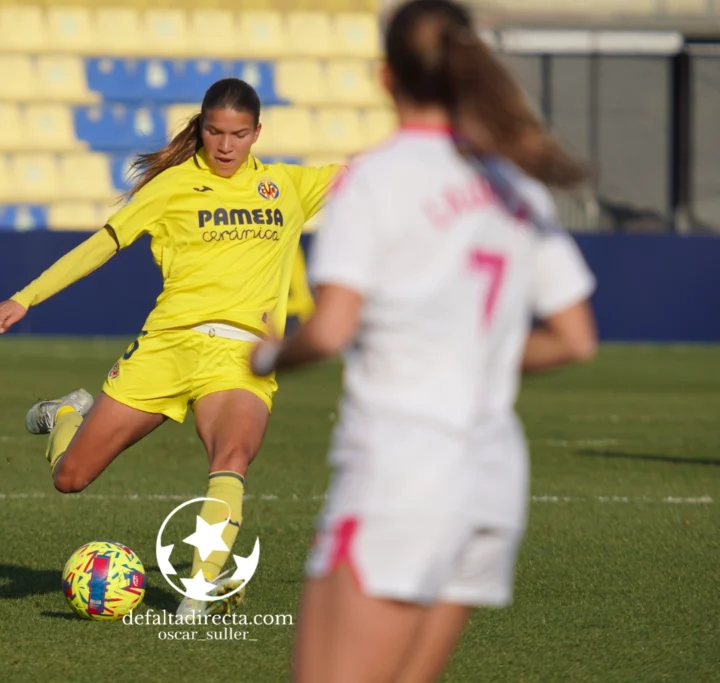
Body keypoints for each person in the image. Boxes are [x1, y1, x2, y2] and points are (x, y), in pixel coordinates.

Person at [249, 1, 598, 681]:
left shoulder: (376, 178)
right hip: (493, 476)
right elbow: (575, 338)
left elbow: (330, 329)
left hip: (401, 473)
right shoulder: (515, 183)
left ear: (386, 77)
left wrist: (267, 355)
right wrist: (469, 350)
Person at [0, 78, 344, 617]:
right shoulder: (170, 187)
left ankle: (197, 594)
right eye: (215, 132)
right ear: (200, 128)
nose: (225, 146)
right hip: (167, 349)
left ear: (257, 133)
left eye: (238, 134)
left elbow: (378, 176)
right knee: (70, 478)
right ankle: (64, 414)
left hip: (240, 358)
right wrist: (25, 297)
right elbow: (100, 245)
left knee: (233, 456)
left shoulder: (287, 186)